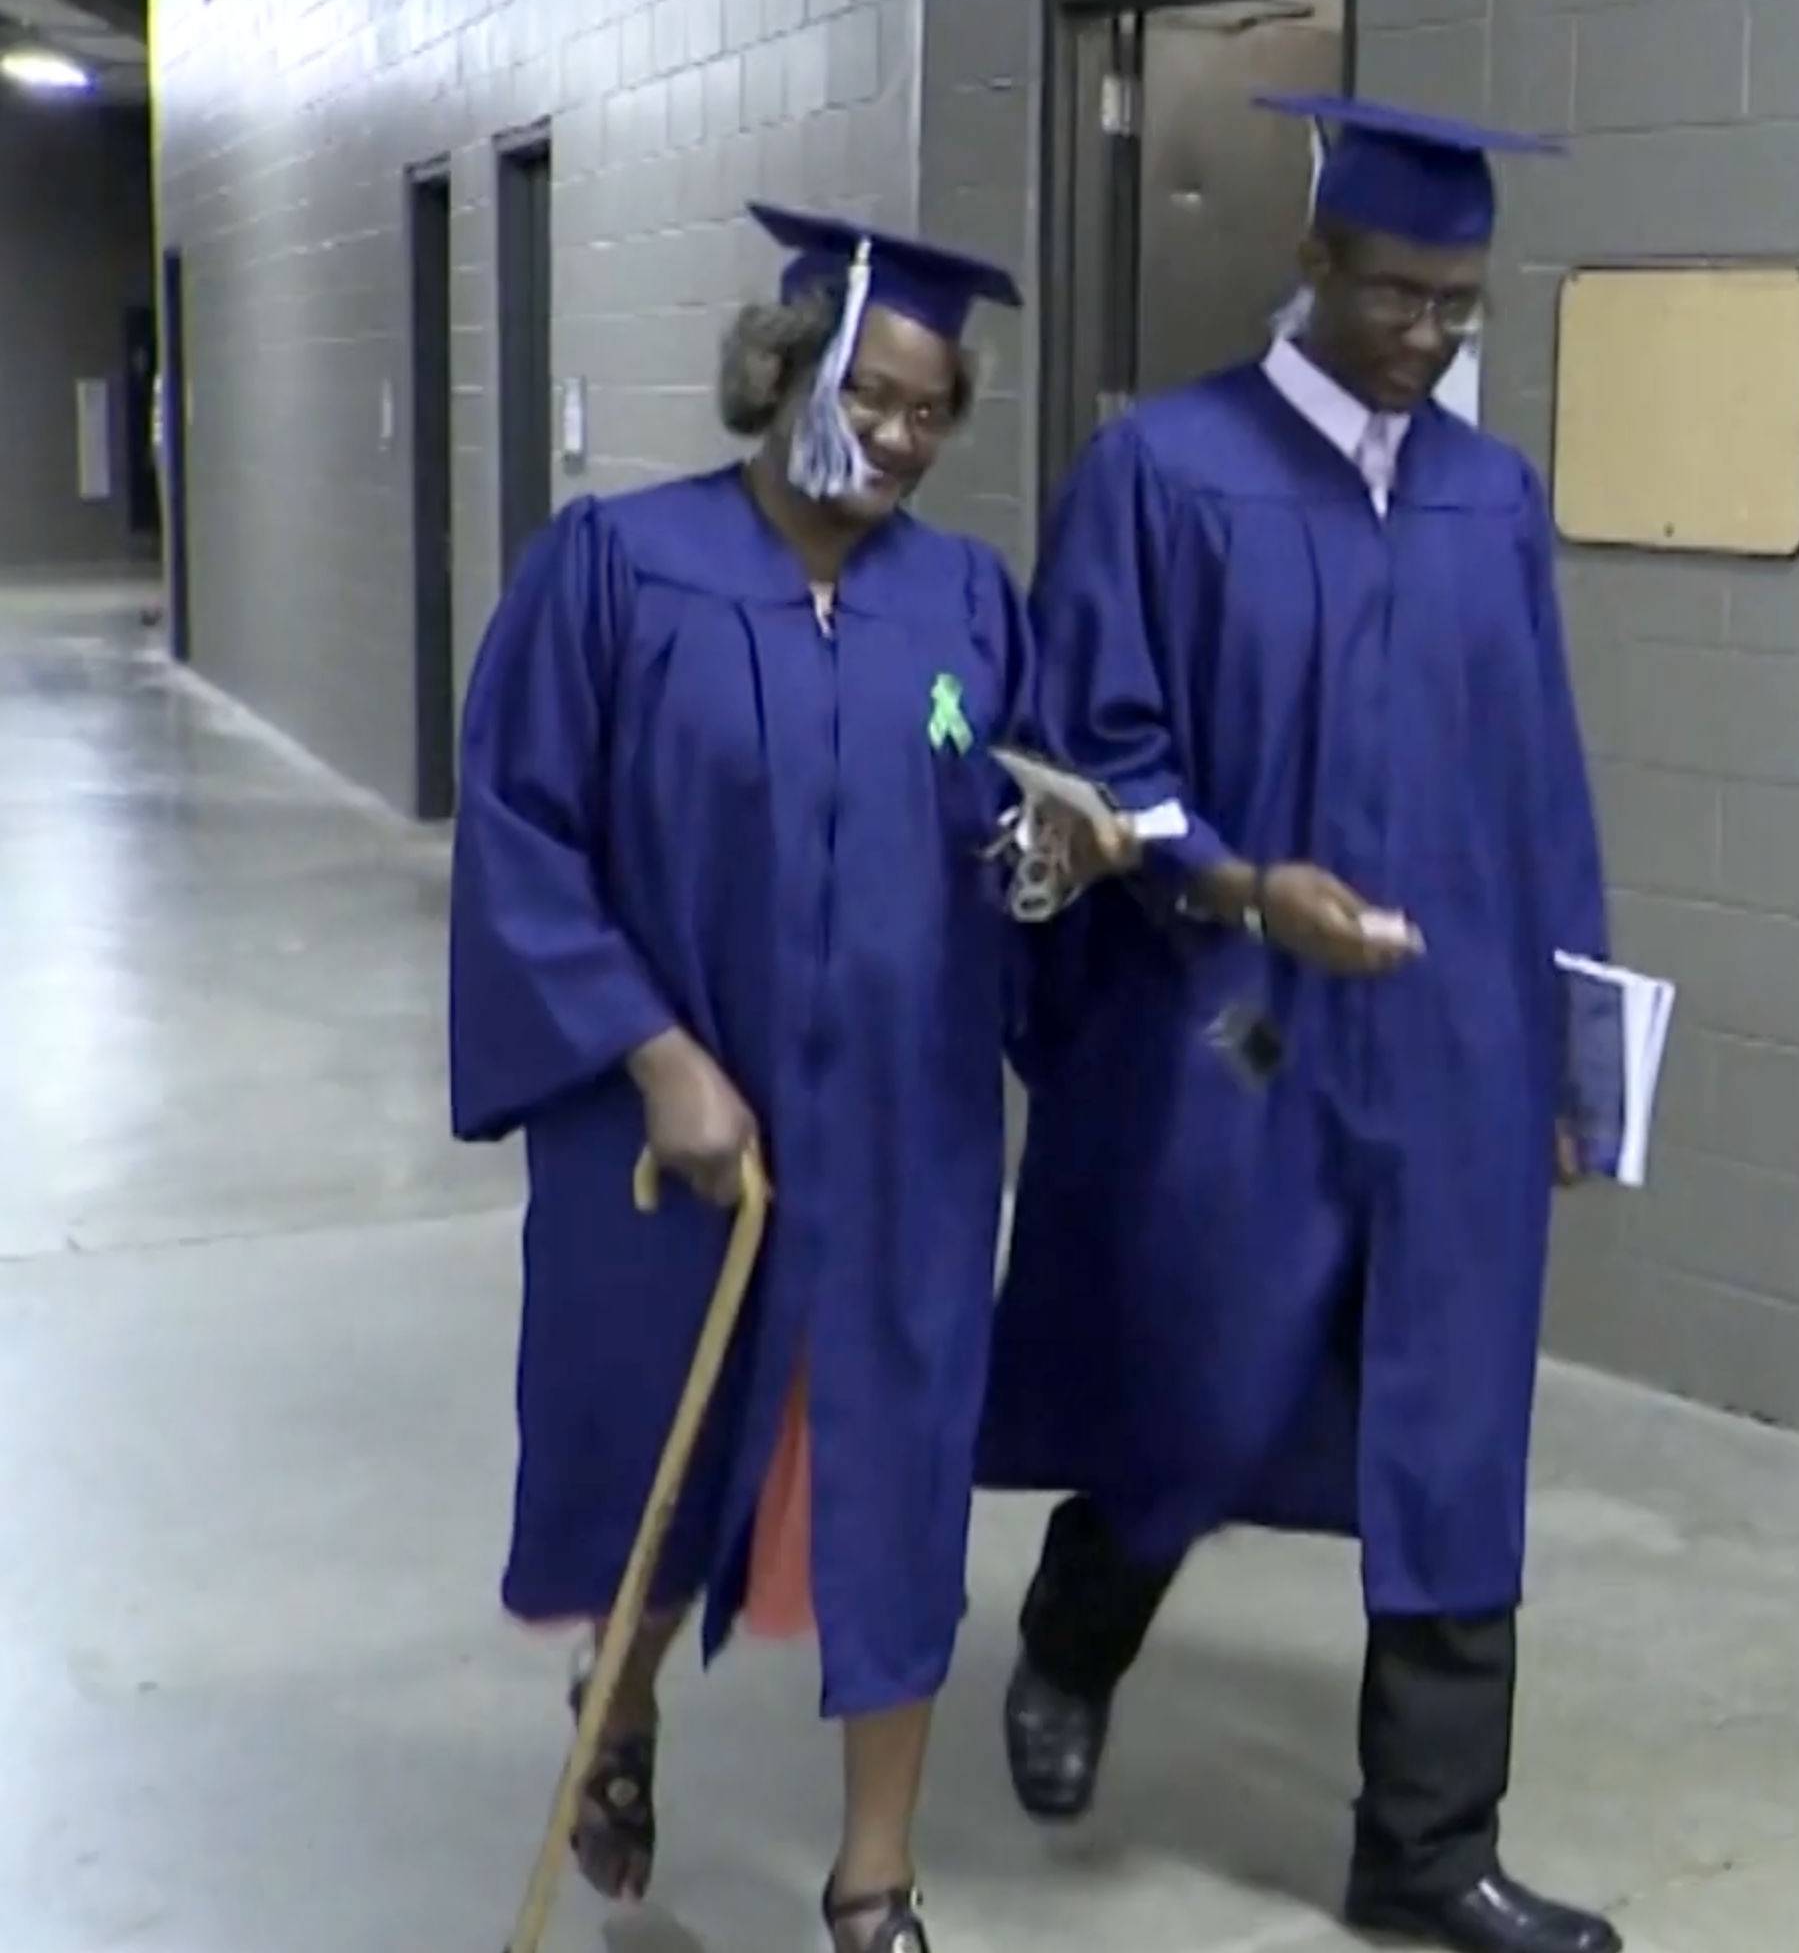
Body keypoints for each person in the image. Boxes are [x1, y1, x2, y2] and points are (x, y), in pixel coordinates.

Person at [448, 201, 1132, 1953]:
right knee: (654, 1462)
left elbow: (996, 832)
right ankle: (626, 1694)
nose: (900, 439)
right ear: (782, 377)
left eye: (933, 411)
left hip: (905, 1133)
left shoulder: (968, 599)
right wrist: (660, 1055)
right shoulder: (613, 569)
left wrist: (1052, 859)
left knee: (892, 1483)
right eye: (874, 396)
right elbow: (524, 838)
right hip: (673, 1138)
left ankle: (875, 1881)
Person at [979, 94, 1620, 1953]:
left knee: (1453, 1424)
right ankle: (1073, 1632)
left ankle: (1427, 1850)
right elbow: (1095, 756)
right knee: (1206, 1373)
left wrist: (1568, 1052)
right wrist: (1249, 888)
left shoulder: (1490, 496)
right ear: (1314, 260)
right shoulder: (1165, 472)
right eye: (1402, 294)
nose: (1430, 336)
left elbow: (1541, 787)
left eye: (1462, 307)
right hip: (1235, 1024)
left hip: (1458, 1036)